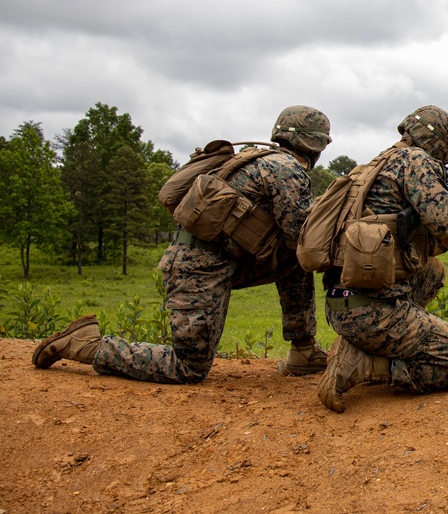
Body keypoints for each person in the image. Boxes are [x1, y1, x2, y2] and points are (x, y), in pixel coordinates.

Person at [32, 105, 333, 384]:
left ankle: (303, 350)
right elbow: (301, 235)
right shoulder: (286, 169)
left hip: (216, 262)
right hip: (198, 270)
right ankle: (87, 344)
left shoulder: (255, 158)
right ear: (315, 147)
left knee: (294, 260)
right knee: (188, 367)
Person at [317, 105, 448, 412]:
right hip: (371, 311)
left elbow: (423, 248)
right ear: (441, 146)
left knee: (433, 271)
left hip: (341, 303)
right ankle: (367, 363)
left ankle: (360, 343)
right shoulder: (416, 160)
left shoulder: (375, 165)